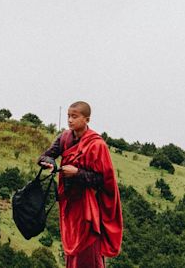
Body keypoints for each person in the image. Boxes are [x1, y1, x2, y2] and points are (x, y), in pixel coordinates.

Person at [38, 101, 123, 268]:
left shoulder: (96, 144)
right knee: (72, 249)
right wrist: (50, 164)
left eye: (74, 117)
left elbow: (102, 180)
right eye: (69, 116)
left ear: (87, 119)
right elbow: (44, 157)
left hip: (88, 205)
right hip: (69, 203)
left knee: (88, 248)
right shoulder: (64, 138)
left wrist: (77, 173)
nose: (70, 120)